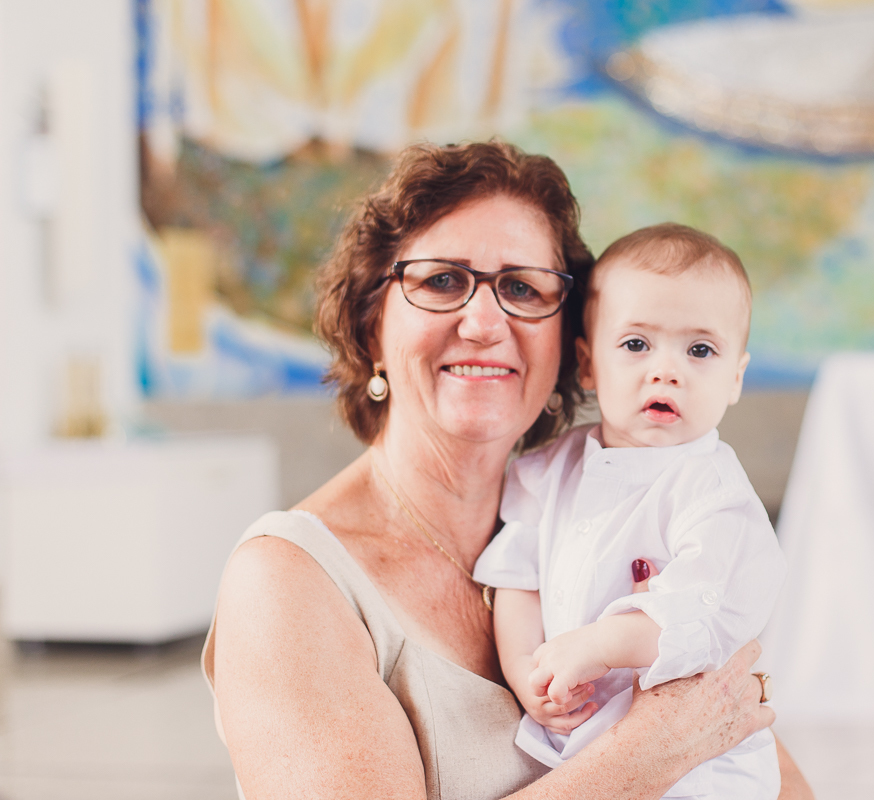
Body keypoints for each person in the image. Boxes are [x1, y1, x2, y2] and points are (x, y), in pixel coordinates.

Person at [201, 140, 814, 799]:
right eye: (441, 280)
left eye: (522, 288)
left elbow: (772, 776)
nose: (485, 322)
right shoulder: (287, 583)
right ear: (372, 322)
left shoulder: (615, 526)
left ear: (567, 346)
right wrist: (638, 760)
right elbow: (672, 739)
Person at [474, 223, 786, 799]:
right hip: (586, 752)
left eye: (700, 350)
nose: (666, 371)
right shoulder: (547, 470)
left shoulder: (714, 492)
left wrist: (595, 645)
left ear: (735, 378)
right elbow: (518, 579)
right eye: (636, 344)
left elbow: (698, 612)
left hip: (701, 768)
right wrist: (525, 672)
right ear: (589, 365)